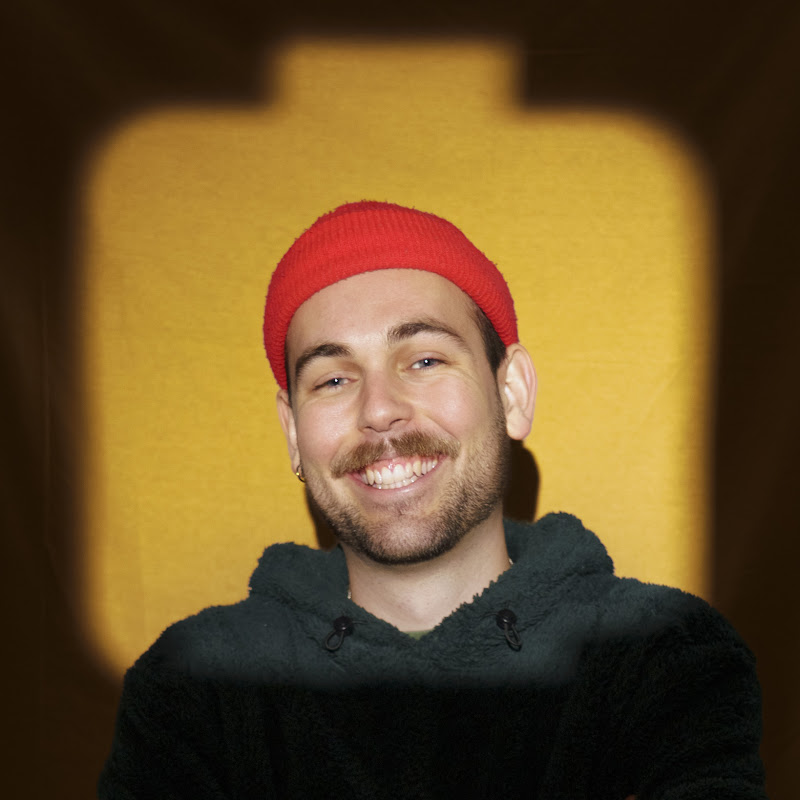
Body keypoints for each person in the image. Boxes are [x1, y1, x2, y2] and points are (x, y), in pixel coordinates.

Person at [99, 201, 766, 799]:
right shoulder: (196, 686)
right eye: (332, 379)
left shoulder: (662, 656)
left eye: (423, 360)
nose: (379, 410)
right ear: (294, 433)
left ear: (511, 393)